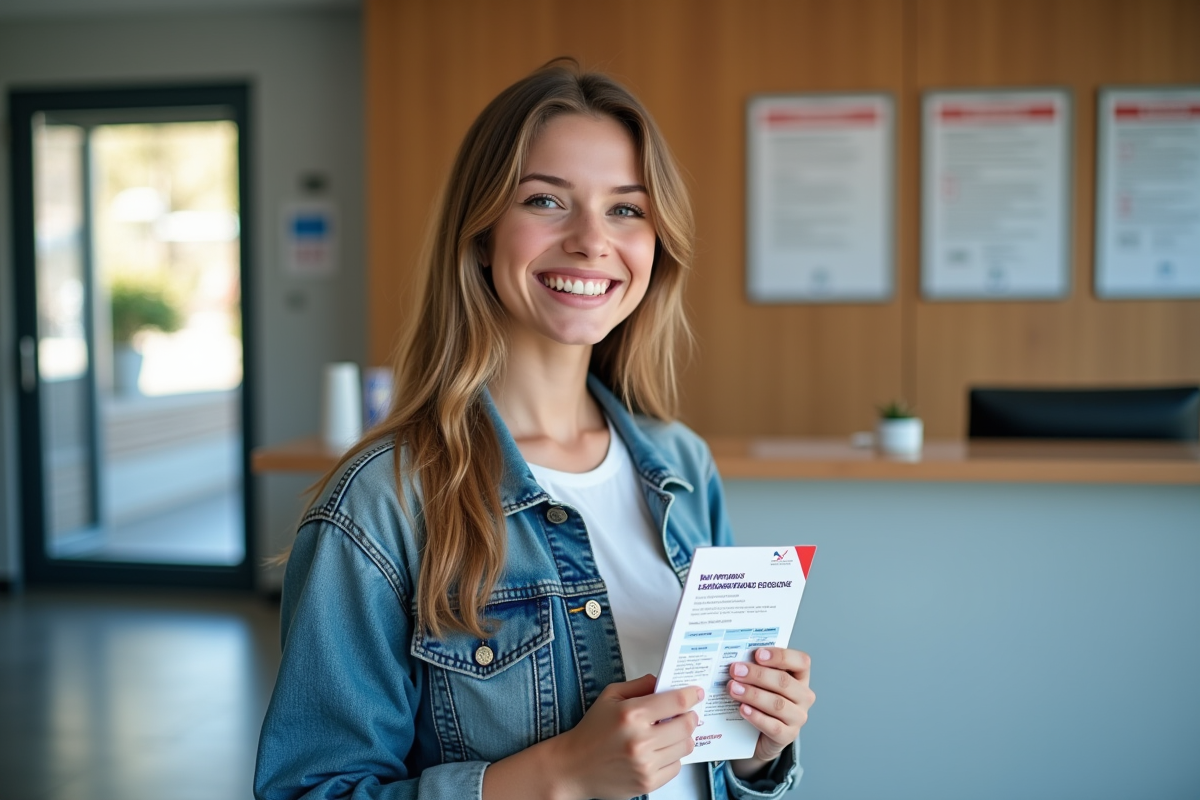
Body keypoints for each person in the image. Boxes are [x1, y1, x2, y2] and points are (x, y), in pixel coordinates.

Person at [254, 59, 815, 800]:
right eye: (547, 201)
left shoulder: (681, 465)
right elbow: (309, 789)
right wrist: (559, 776)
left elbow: (704, 760)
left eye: (625, 209)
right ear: (482, 233)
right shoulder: (382, 503)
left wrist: (756, 751)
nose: (591, 240)